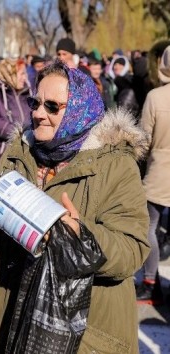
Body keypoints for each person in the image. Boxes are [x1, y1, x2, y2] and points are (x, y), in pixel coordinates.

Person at [0, 60, 150, 353]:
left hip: (83, 333)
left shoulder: (116, 165)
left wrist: (80, 238)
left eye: (52, 106)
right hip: (17, 315)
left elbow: (132, 248)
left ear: (78, 110)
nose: (37, 113)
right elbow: (1, 202)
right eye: (35, 102)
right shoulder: (21, 151)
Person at [136, 45, 170, 305]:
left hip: (159, 172)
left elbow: (142, 140)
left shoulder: (156, 97)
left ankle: (150, 283)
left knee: (148, 226)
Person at [0, 57, 31, 184]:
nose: (25, 77)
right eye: (22, 73)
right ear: (10, 74)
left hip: (23, 157)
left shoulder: (27, 95)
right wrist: (19, 133)